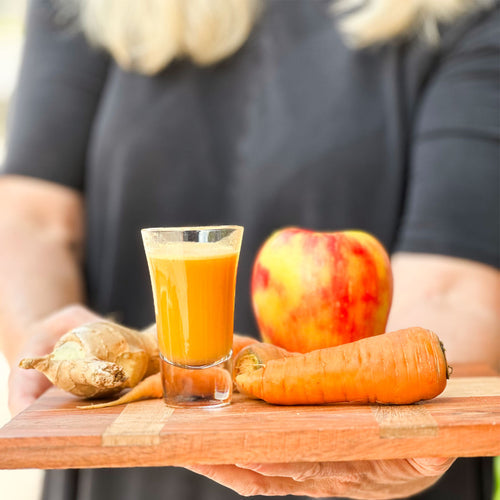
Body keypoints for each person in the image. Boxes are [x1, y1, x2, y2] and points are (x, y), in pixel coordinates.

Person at [0, 0, 498, 499]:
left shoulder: (471, 14)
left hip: (379, 464)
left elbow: (451, 286)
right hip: (126, 464)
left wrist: (402, 434)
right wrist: (68, 354)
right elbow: (31, 219)